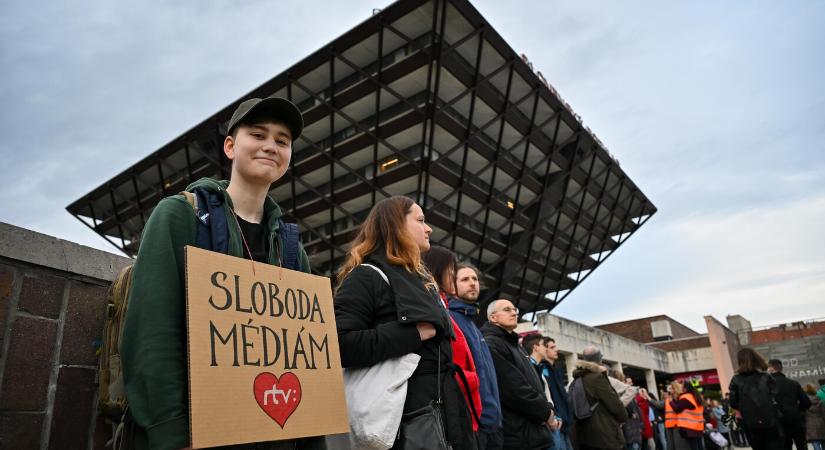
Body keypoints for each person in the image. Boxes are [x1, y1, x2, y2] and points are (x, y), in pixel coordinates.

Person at [120, 97, 324, 450]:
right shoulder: (179, 216)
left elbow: (305, 359)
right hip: (198, 436)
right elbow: (152, 331)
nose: (270, 146)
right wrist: (172, 433)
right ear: (230, 146)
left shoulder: (291, 249)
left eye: (282, 140)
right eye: (258, 134)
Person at [333, 196, 475, 450]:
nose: (428, 228)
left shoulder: (421, 280)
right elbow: (341, 344)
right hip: (405, 426)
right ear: (396, 225)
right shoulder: (366, 276)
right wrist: (412, 334)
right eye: (420, 220)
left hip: (444, 415)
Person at [423, 246, 483, 434]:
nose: (453, 275)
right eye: (452, 271)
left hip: (468, 412)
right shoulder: (438, 311)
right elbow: (448, 364)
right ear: (437, 271)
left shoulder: (447, 311)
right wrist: (474, 379)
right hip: (458, 412)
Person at [481, 299, 555, 450]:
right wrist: (545, 412)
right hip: (520, 436)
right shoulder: (492, 344)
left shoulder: (515, 345)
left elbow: (532, 383)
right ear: (493, 317)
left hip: (534, 432)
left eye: (515, 310)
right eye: (507, 310)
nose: (514, 313)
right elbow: (514, 389)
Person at [452, 263, 504, 449]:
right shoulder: (453, 319)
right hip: (476, 425)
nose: (472, 283)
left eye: (474, 279)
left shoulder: (473, 324)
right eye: (465, 279)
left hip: (493, 424)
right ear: (452, 285)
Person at [570, 346, 628, 450]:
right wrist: (623, 417)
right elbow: (614, 403)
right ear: (600, 359)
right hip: (604, 432)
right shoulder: (597, 377)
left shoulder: (576, 379)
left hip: (583, 433)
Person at [729, 348, 783, 450]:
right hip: (770, 420)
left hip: (750, 423)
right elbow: (777, 396)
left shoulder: (736, 380)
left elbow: (733, 403)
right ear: (756, 359)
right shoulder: (767, 377)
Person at [768, 359, 812, 450]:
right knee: (802, 446)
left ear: (772, 368)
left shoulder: (767, 386)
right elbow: (807, 402)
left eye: (768, 368)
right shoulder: (793, 383)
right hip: (796, 421)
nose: (767, 370)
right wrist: (798, 410)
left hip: (779, 424)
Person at [540, 337, 573, 450]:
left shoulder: (556, 369)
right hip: (556, 424)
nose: (556, 349)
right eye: (552, 347)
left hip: (565, 423)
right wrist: (556, 416)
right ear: (544, 349)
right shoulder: (543, 369)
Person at [663, 380, 704, 450]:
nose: (680, 387)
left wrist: (670, 401)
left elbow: (677, 408)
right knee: (699, 446)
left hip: (690, 427)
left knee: (694, 447)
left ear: (685, 388)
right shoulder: (694, 396)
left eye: (682, 385)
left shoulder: (686, 397)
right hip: (698, 426)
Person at [804, 383, 825, 450]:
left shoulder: (804, 402)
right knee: (823, 442)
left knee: (815, 443)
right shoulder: (820, 401)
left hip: (810, 425)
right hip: (821, 424)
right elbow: (824, 414)